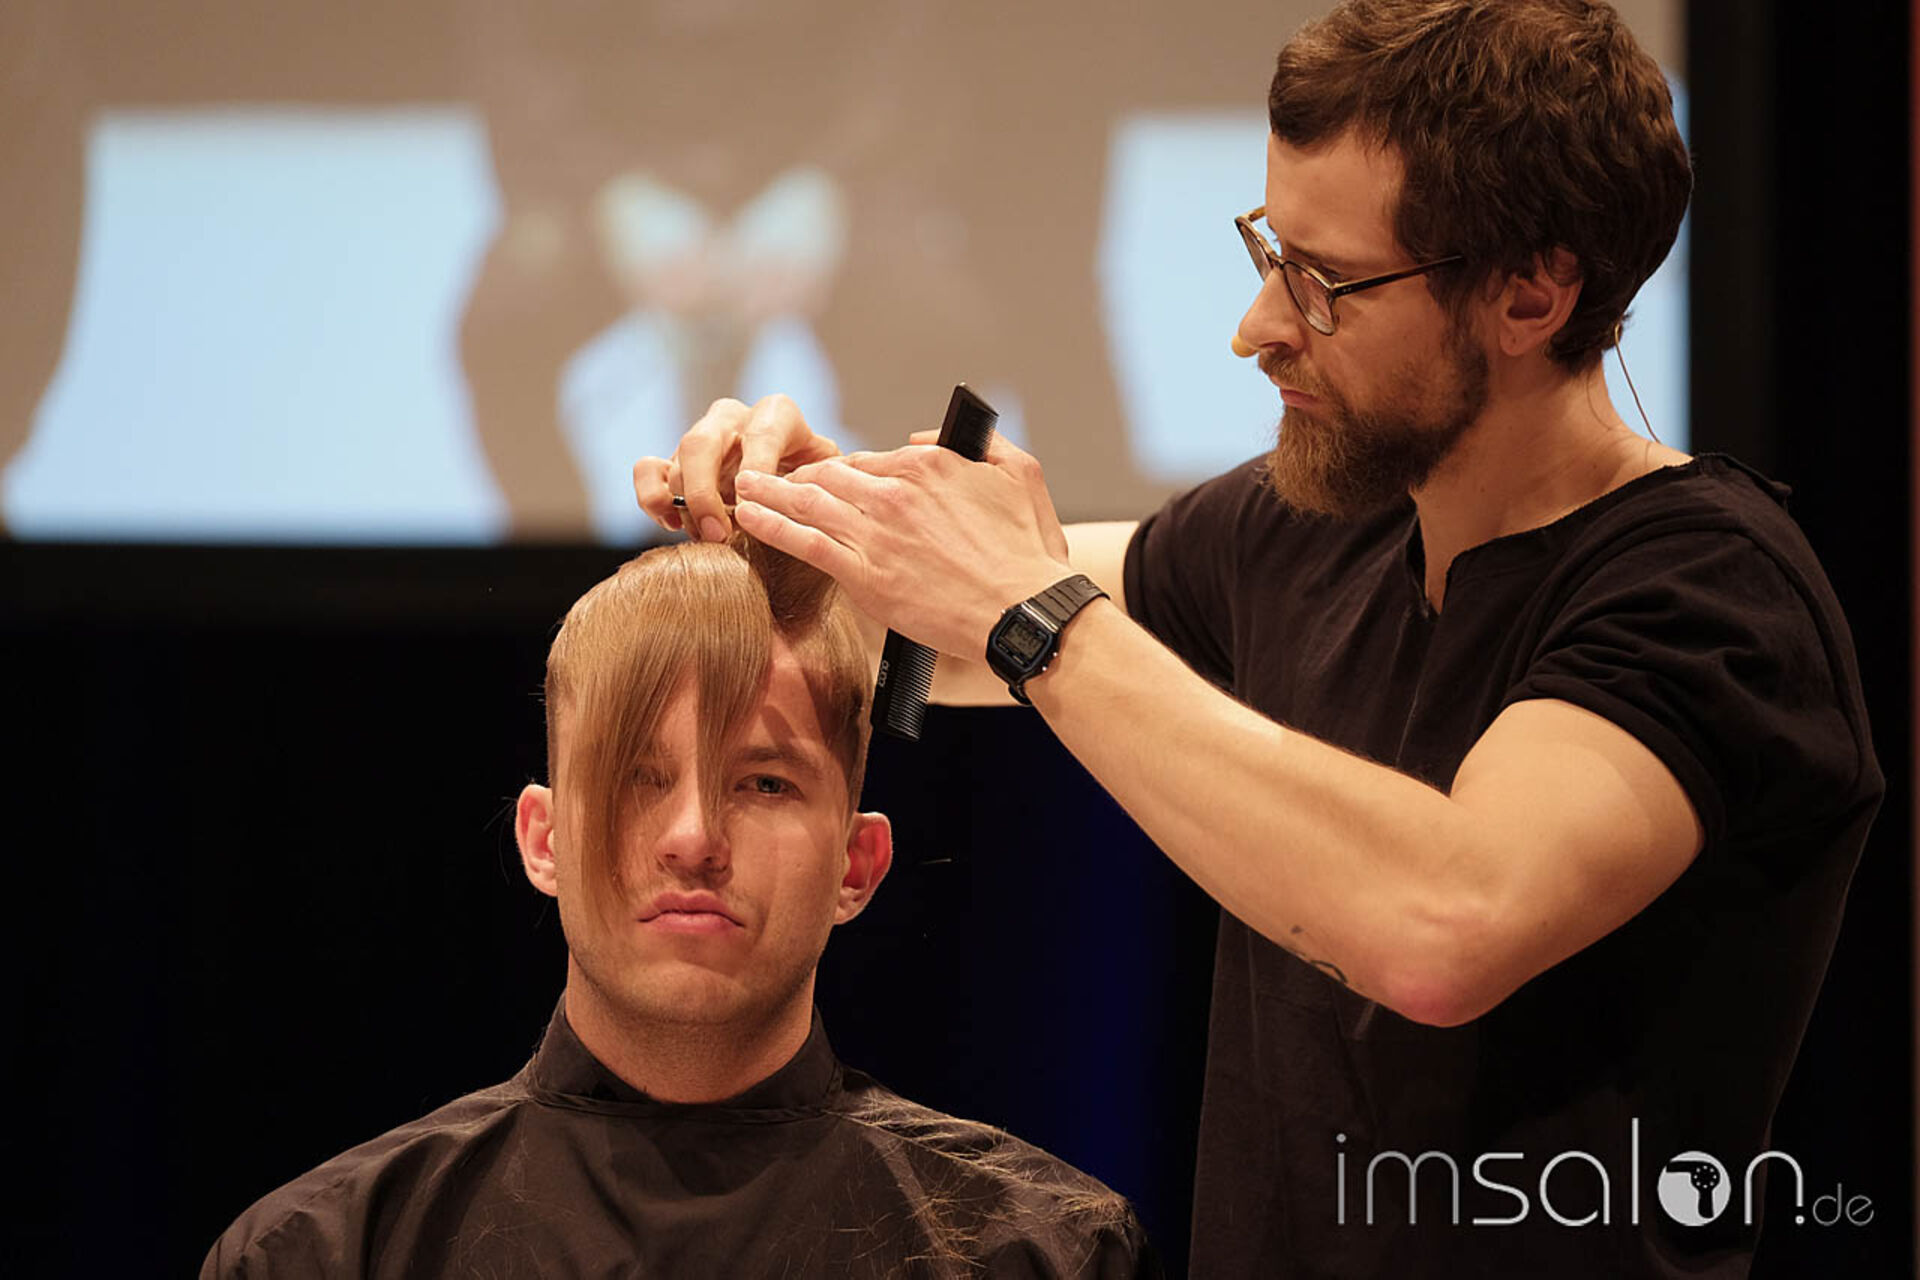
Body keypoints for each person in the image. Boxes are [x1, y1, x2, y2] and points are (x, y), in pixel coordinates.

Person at [634, 2, 1883, 1276]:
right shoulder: (1314, 528)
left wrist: (1026, 609)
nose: (1259, 325)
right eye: (1269, 249)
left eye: (1325, 282)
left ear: (1529, 294)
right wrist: (803, 524)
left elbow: (1446, 924)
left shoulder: (1707, 593)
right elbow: (953, 634)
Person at [201, 536, 1158, 1278]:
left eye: (765, 784)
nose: (694, 839)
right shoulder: (324, 1253)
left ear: (857, 864)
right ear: (543, 840)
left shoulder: (1045, 1255)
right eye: (636, 777)